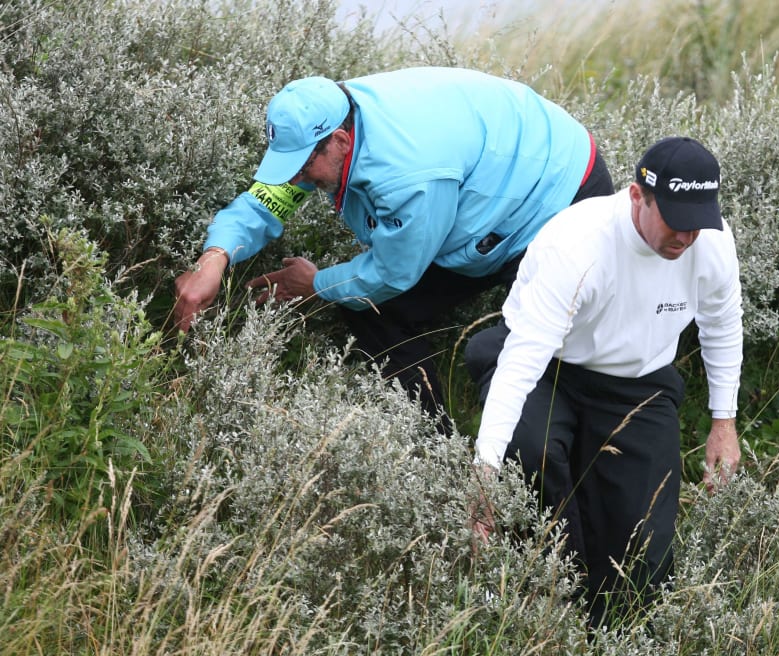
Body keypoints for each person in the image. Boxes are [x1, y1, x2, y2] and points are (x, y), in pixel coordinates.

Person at [173, 67, 614, 420]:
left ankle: (525, 490)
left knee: (550, 359)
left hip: (557, 193)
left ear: (341, 142)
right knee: (369, 308)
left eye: (302, 165)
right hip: (480, 192)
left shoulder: (407, 175)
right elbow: (266, 203)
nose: (295, 178)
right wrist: (215, 259)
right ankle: (436, 448)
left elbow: (392, 273)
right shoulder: (330, 122)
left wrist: (316, 283)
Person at [465, 137, 744, 628]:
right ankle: (543, 597)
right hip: (551, 367)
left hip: (638, 382)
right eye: (675, 220)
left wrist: (724, 421)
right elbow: (522, 361)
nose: (686, 236)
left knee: (645, 558)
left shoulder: (711, 242)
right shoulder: (577, 245)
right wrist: (485, 476)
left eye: (697, 222)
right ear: (638, 197)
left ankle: (607, 631)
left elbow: (722, 323)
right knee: (527, 454)